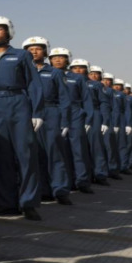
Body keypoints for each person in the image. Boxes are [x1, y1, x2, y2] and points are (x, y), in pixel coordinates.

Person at [0, 17, 44, 220]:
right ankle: (5, 202)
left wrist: (36, 112)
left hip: (18, 103)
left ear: (8, 33)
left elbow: (33, 84)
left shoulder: (21, 55)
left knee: (25, 155)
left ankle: (28, 203)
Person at [22, 37, 73, 205]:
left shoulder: (54, 73)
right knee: (33, 155)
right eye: (30, 49)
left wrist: (64, 121)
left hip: (50, 112)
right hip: (27, 113)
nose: (34, 51)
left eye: (38, 48)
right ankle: (42, 190)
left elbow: (64, 99)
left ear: (45, 52)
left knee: (54, 153)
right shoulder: (21, 70)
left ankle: (60, 189)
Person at [48, 49, 94, 193]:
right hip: (55, 111)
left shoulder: (77, 78)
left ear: (67, 60)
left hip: (74, 113)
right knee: (59, 150)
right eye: (54, 58)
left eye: (61, 57)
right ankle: (63, 182)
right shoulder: (46, 74)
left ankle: (81, 181)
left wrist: (88, 119)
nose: (57, 60)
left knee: (77, 149)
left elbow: (86, 100)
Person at [85, 64, 111, 185]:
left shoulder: (97, 85)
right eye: (92, 73)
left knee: (96, 146)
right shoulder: (72, 82)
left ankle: (100, 174)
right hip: (78, 113)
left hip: (94, 114)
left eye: (96, 73)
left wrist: (105, 121)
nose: (94, 75)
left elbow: (104, 103)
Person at [101, 72, 123, 180]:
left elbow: (115, 109)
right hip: (94, 120)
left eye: (108, 80)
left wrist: (114, 124)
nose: (106, 81)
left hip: (108, 121)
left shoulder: (112, 92)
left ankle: (113, 169)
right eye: (104, 79)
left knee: (110, 147)